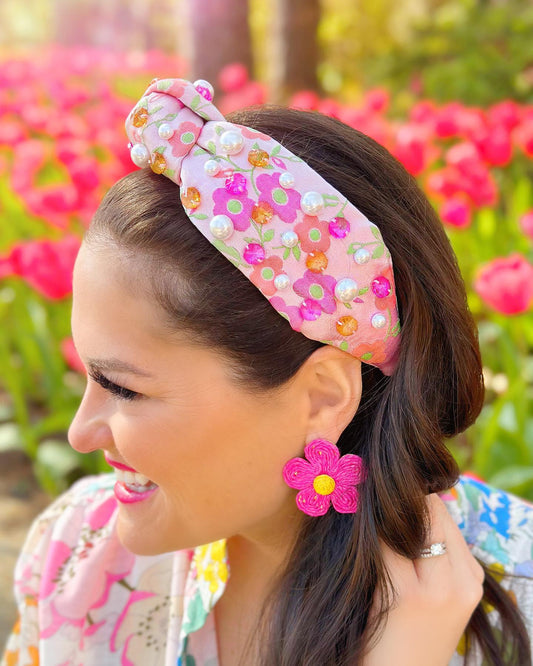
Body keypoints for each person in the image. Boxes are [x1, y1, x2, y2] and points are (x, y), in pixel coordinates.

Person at [2, 77, 533, 666]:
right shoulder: (77, 554)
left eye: (124, 388)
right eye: (88, 377)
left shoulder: (516, 594)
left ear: (324, 398)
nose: (80, 434)